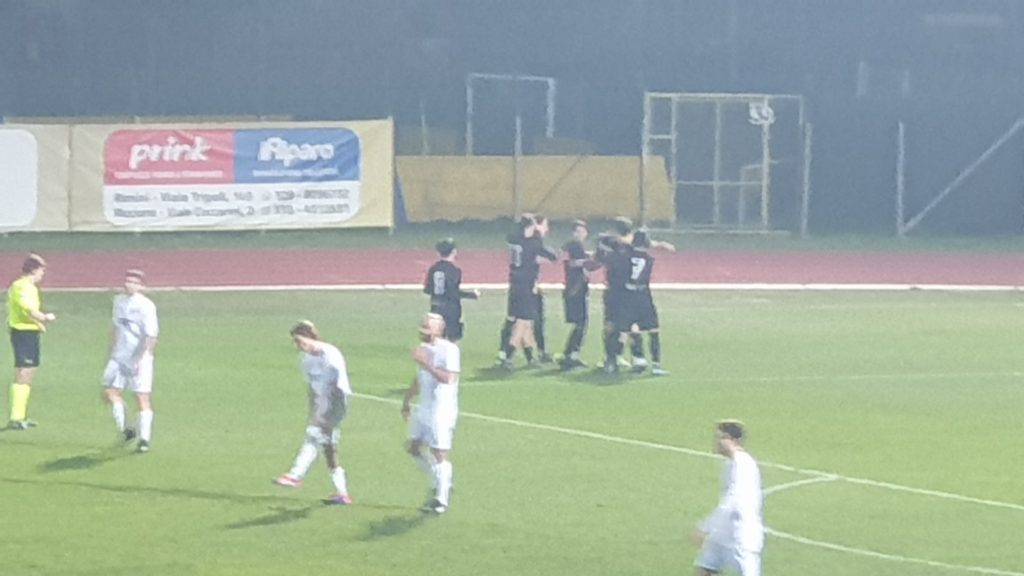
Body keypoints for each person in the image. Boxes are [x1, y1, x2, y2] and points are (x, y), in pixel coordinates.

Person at [275, 321, 354, 506]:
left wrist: (322, 414)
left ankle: (295, 475)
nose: (298, 345)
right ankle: (342, 494)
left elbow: (335, 381)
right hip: (321, 402)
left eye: (299, 340)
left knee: (314, 434)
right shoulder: (305, 360)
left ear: (309, 337)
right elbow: (312, 388)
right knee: (329, 447)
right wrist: (315, 410)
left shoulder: (329, 353)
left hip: (335, 399)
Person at [402, 313, 460, 514]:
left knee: (439, 452)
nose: (423, 332)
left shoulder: (449, 350)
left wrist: (426, 363)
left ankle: (440, 499)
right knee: (414, 448)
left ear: (438, 330)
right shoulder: (424, 348)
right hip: (424, 408)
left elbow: (448, 378)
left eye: (427, 328)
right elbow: (420, 377)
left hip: (441, 410)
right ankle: (441, 481)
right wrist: (407, 399)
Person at [692, 420, 764, 576]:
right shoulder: (730, 463)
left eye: (722, 437)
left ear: (734, 440)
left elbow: (732, 501)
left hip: (741, 535)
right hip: (723, 533)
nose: (718, 442)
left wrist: (705, 527)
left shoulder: (743, 464)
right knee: (705, 569)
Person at [101, 269, 159, 452]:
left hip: (138, 358)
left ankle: (144, 440)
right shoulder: (118, 301)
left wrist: (142, 358)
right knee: (109, 392)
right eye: (128, 281)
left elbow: (151, 336)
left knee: (141, 397)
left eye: (134, 282)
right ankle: (127, 430)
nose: (130, 285)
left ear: (142, 286)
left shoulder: (146, 306)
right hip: (119, 357)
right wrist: (112, 351)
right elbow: (116, 327)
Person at [498, 215, 557, 369]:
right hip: (526, 286)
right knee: (522, 323)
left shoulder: (514, 239)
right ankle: (508, 357)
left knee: (524, 322)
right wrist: (539, 236)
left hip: (514, 284)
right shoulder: (533, 243)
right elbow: (552, 256)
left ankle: (530, 357)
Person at [6, 253, 56, 430]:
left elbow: (27, 312)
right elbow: (28, 309)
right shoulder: (21, 287)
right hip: (22, 333)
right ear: (33, 270)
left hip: (30, 332)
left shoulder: (30, 287)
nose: (43, 274)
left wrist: (38, 324)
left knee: (29, 371)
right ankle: (16, 417)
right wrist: (44, 318)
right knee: (24, 371)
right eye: (41, 270)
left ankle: (20, 416)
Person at [621, 230, 674, 376]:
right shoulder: (648, 259)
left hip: (629, 294)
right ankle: (656, 364)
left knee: (633, 326)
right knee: (653, 329)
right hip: (643, 294)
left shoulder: (625, 256)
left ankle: (639, 359)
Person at [595, 217, 634, 373]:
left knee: (612, 325)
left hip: (613, 290)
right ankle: (614, 357)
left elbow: (599, 258)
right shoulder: (627, 246)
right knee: (621, 325)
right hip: (625, 290)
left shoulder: (608, 243)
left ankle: (612, 357)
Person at [423, 237, 479, 342]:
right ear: (453, 252)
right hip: (450, 309)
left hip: (435, 307)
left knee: (436, 338)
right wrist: (472, 295)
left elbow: (427, 290)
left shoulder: (433, 269)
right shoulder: (454, 270)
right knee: (452, 338)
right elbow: (453, 293)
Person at [559, 220, 598, 370]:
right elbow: (578, 263)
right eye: (579, 231)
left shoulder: (572, 246)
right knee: (581, 322)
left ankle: (570, 353)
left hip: (575, 288)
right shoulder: (575, 245)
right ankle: (571, 354)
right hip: (576, 289)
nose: (582, 234)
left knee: (580, 323)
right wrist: (595, 261)